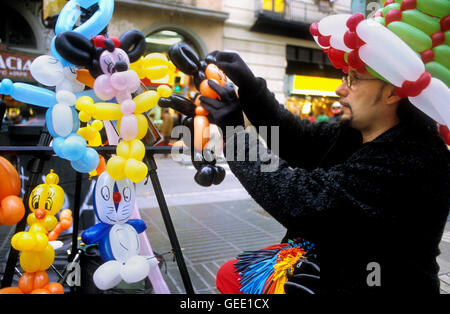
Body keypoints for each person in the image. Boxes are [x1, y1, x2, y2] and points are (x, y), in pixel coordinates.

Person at [198, 13, 450, 294]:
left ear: (393, 92)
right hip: (335, 260)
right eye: (345, 76)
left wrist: (235, 135)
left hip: (377, 280)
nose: (340, 88)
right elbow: (298, 140)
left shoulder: (414, 158)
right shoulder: (358, 130)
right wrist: (252, 91)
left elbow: (303, 201)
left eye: (353, 79)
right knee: (230, 274)